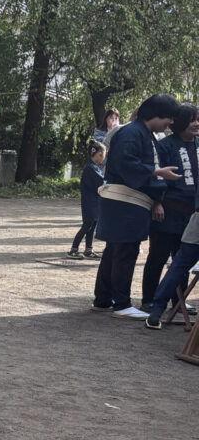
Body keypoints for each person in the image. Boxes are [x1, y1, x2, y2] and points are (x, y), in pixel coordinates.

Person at [93, 94, 180, 320]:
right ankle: (121, 303)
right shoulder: (132, 132)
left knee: (115, 251)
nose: (169, 123)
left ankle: (103, 299)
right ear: (156, 114)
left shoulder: (141, 132)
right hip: (125, 200)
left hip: (126, 201)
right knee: (124, 252)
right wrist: (156, 172)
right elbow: (124, 163)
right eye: (168, 118)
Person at [141, 104, 199, 312]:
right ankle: (149, 299)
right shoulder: (164, 146)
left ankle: (178, 301)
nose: (196, 124)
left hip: (192, 215)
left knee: (182, 259)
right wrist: (157, 201)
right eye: (192, 119)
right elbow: (155, 175)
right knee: (158, 256)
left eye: (198, 119)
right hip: (167, 211)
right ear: (181, 121)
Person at [67, 141, 106, 259]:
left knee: (92, 226)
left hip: (95, 202)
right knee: (87, 226)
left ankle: (88, 249)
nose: (103, 159)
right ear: (98, 154)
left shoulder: (94, 167)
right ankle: (73, 250)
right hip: (90, 202)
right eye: (103, 156)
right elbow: (102, 182)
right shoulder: (91, 168)